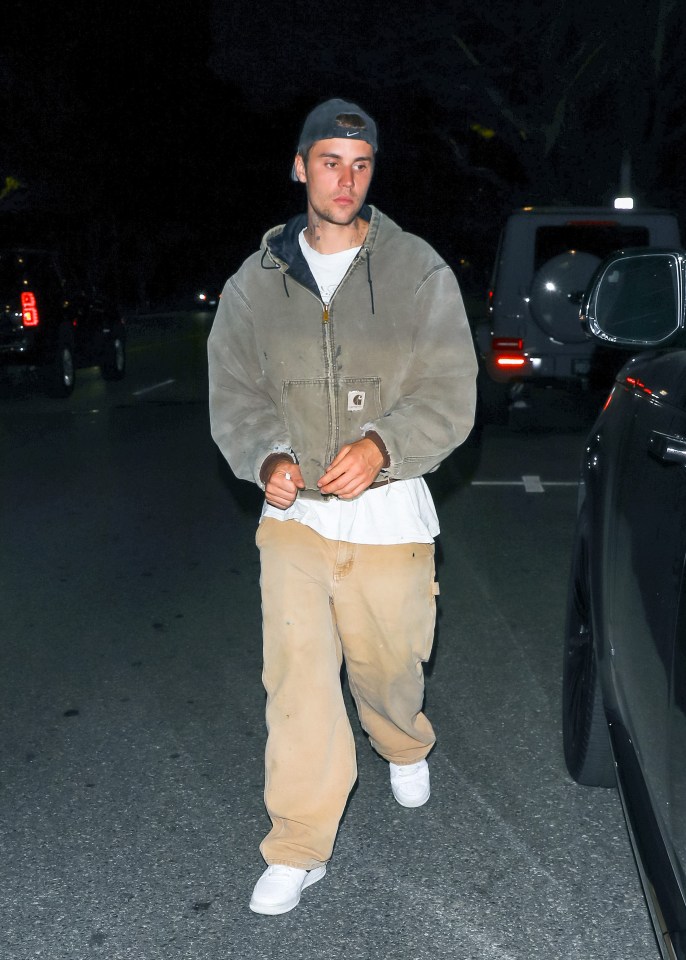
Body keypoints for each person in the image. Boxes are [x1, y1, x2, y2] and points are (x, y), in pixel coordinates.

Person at [207, 98, 478, 915]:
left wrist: (383, 445)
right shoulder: (254, 284)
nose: (345, 179)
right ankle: (298, 845)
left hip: (389, 518)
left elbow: (451, 391)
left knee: (387, 668)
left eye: (360, 164)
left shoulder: (419, 270)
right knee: (297, 682)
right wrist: (268, 456)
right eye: (330, 161)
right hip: (295, 524)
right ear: (300, 167)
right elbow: (235, 389)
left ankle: (402, 738)